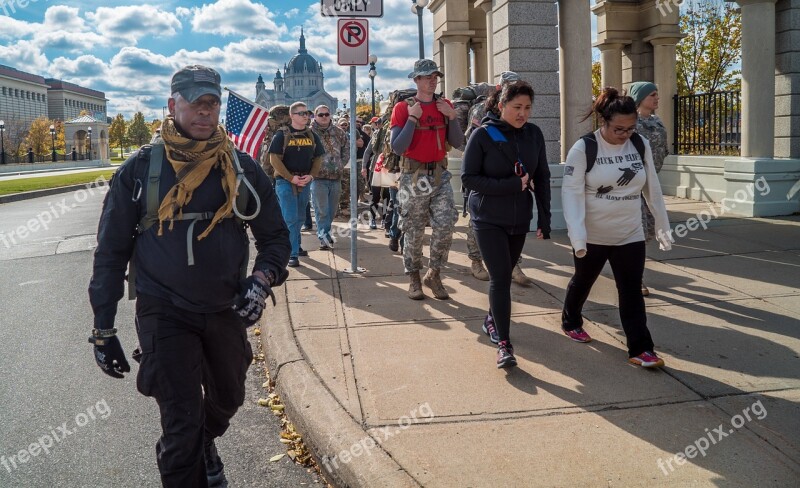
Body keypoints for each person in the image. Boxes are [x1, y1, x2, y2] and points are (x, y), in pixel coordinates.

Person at [88, 65, 291, 487]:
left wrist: (262, 280)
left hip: (226, 307)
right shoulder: (140, 170)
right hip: (164, 311)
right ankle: (191, 456)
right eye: (195, 103)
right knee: (180, 427)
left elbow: (275, 238)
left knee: (230, 397)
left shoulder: (241, 167)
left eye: (211, 103)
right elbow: (110, 252)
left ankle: (204, 439)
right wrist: (103, 328)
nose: (204, 112)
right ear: (172, 104)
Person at [561, 86, 673, 368]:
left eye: (631, 128)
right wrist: (578, 238)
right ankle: (570, 320)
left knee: (631, 290)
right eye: (618, 130)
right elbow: (571, 194)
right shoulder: (584, 148)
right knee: (583, 281)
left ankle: (641, 348)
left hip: (629, 232)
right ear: (603, 122)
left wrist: (662, 223)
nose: (625, 135)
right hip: (594, 234)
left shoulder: (639, 144)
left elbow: (652, 187)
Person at [462, 81, 551, 368]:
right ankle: (504, 343)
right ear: (501, 106)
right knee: (501, 279)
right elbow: (469, 179)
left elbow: (544, 177)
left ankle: (491, 319)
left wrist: (545, 218)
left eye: (527, 108)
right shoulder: (483, 135)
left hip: (519, 219)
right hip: (488, 218)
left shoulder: (534, 135)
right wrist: (512, 185)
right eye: (516, 107)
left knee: (503, 278)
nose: (522, 113)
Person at [391, 59, 464, 300]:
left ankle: (434, 273)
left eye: (435, 76)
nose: (432, 80)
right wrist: (412, 119)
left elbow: (458, 142)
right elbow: (398, 146)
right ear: (417, 80)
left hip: (440, 175)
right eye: (427, 77)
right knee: (414, 229)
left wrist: (452, 116)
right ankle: (413, 276)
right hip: (414, 177)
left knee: (445, 225)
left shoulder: (445, 105)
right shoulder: (403, 107)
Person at [462, 71, 535, 286]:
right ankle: (476, 260)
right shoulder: (481, 109)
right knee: (478, 220)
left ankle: (514, 264)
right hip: (485, 171)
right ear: (499, 90)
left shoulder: (520, 110)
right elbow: (471, 140)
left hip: (514, 172)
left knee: (512, 225)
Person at [268, 102, 325, 267]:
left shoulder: (311, 134)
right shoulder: (281, 135)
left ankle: (295, 245)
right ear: (292, 116)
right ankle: (291, 254)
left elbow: (318, 157)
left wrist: (311, 176)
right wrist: (290, 178)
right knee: (290, 218)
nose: (305, 116)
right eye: (301, 113)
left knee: (300, 217)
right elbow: (274, 159)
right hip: (285, 182)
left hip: (305, 181)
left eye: (307, 113)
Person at [629, 81, 669, 297]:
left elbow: (663, 151)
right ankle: (636, 278)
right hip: (633, 189)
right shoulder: (630, 124)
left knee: (648, 233)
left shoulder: (657, 122)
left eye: (656, 94)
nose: (656, 98)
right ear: (640, 98)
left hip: (651, 187)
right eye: (652, 95)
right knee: (638, 235)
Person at [310, 104, 349, 250]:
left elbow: (346, 148)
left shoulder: (338, 132)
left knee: (332, 211)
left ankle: (326, 232)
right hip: (318, 177)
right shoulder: (309, 132)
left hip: (336, 177)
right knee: (321, 210)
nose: (324, 117)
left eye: (326, 114)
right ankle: (324, 237)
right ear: (315, 116)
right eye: (321, 115)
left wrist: (340, 164)